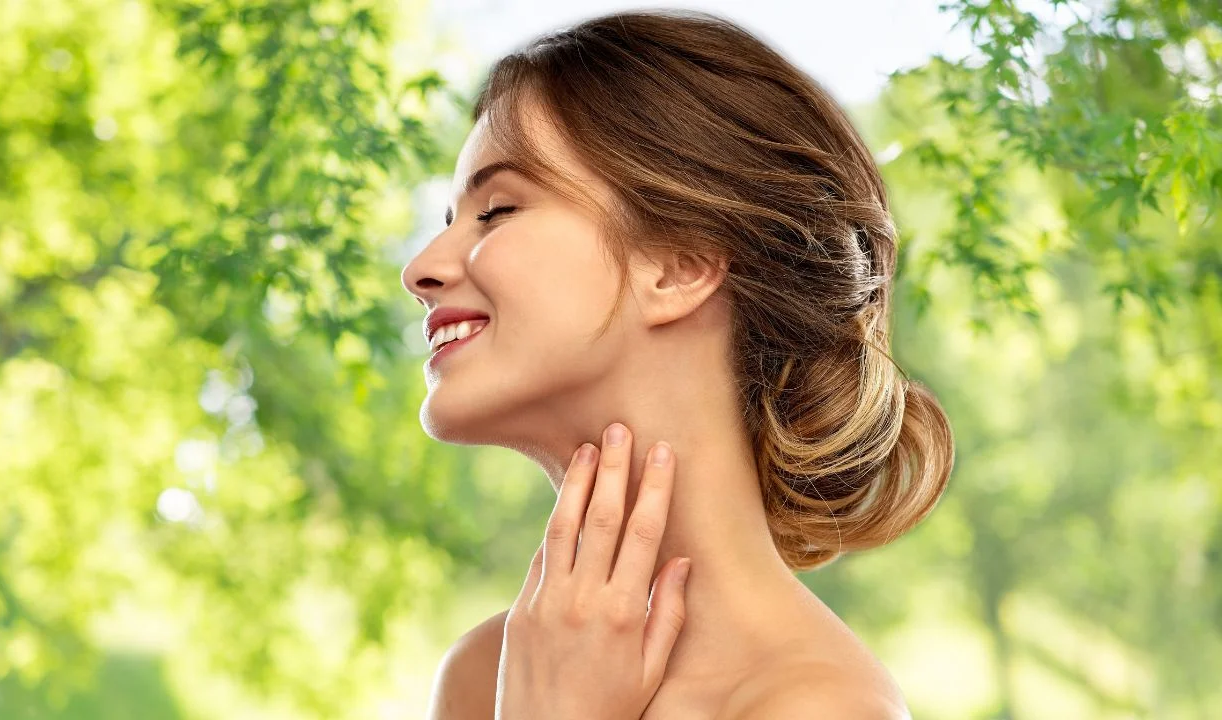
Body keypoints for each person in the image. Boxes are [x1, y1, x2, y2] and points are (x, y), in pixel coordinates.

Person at [400, 9, 955, 719]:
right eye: (448, 219)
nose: (421, 269)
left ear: (679, 266)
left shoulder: (820, 706)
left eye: (498, 210)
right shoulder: (488, 676)